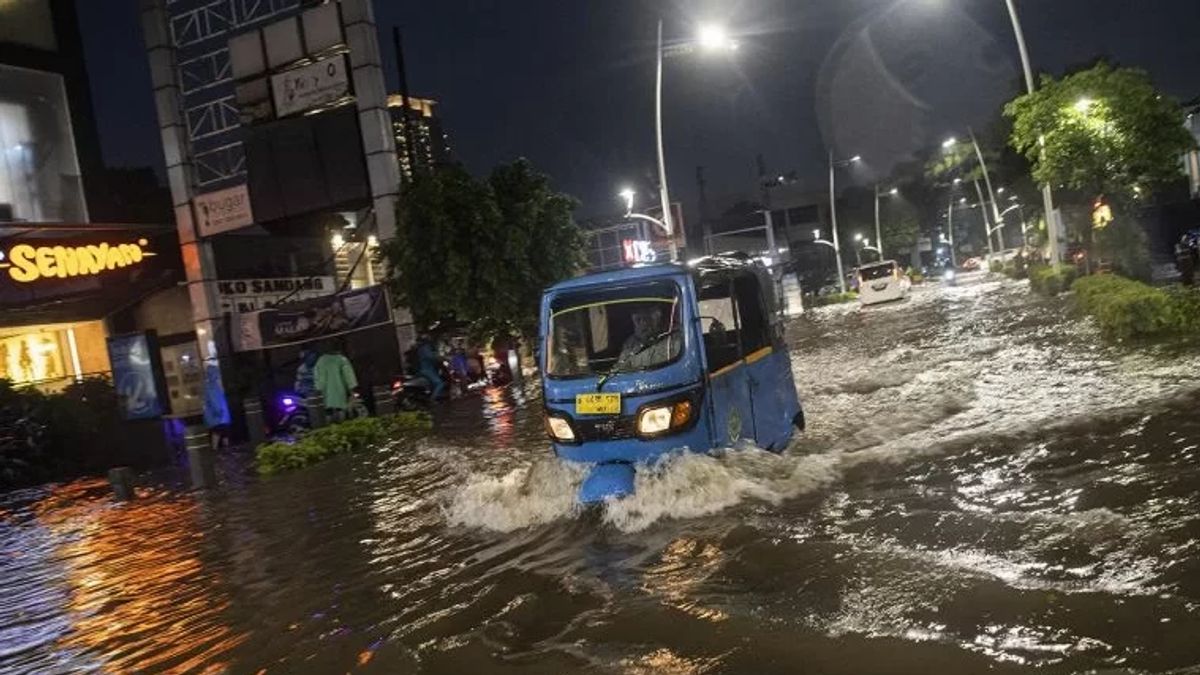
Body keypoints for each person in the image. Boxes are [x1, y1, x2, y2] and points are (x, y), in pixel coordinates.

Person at [616, 305, 679, 371]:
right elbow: (621, 368)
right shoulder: (631, 343)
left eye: (648, 317)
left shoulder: (673, 339)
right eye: (638, 319)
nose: (643, 323)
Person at [313, 341, 359, 422]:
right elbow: (348, 376)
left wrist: (318, 388)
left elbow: (318, 377)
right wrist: (352, 388)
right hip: (340, 391)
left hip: (325, 394)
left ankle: (330, 428)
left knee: (328, 412)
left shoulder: (321, 360)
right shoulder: (342, 360)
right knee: (340, 409)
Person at [416, 334, 446, 400]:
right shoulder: (425, 348)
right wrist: (441, 358)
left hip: (426, 369)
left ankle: (438, 396)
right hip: (427, 370)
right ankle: (432, 399)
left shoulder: (421, 348)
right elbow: (431, 356)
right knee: (440, 383)